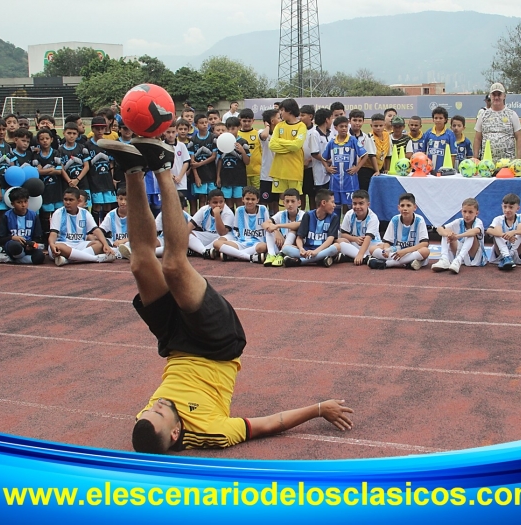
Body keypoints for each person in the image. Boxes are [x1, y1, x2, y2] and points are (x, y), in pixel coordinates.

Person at [95, 137, 352, 454]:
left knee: (139, 264)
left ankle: (133, 169)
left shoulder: (147, 426)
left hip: (173, 343)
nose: (156, 404)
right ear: (176, 433)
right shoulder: (213, 432)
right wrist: (318, 409)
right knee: (174, 266)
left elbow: (151, 423)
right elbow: (271, 423)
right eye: (160, 411)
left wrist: (152, 415)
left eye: (149, 409)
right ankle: (163, 165)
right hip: (217, 343)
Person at [48, 187, 115, 266]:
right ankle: (96, 259)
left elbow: (96, 230)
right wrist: (52, 244)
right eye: (65, 199)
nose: (67, 202)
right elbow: (53, 234)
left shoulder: (85, 213)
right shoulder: (58, 213)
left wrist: (106, 245)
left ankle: (69, 260)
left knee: (100, 244)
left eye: (71, 200)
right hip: (63, 244)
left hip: (80, 244)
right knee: (59, 247)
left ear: (78, 201)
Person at [368, 192, 430, 270]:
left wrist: (405, 251)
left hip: (411, 252)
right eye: (402, 206)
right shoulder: (395, 220)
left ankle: (388, 264)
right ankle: (406, 263)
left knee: (425, 251)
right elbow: (387, 242)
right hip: (395, 252)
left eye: (408, 205)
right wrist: (386, 250)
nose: (405, 208)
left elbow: (424, 243)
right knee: (372, 249)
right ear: (398, 207)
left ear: (415, 207)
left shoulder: (419, 220)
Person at [322, 116, 368, 216]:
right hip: (335, 182)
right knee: (335, 207)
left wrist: (357, 167)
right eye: (341, 126)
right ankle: (336, 229)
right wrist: (327, 167)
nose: (344, 128)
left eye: (346, 126)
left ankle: (349, 227)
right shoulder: (332, 143)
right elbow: (324, 158)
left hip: (350, 181)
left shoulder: (352, 141)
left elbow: (365, 155)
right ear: (335, 128)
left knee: (351, 207)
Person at [282, 188, 339, 267]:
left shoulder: (334, 217)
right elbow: (299, 237)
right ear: (323, 203)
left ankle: (300, 261)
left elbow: (330, 239)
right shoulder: (308, 215)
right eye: (332, 202)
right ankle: (319, 259)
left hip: (322, 249)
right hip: (307, 250)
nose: (334, 205)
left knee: (336, 247)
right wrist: (301, 249)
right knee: (285, 248)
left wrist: (316, 251)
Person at [212, 186, 270, 263]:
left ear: (257, 200)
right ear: (243, 199)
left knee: (263, 247)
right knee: (216, 243)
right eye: (247, 199)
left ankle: (233, 255)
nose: (250, 202)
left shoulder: (263, 209)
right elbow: (236, 231)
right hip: (241, 243)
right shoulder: (239, 210)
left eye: (253, 199)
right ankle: (249, 257)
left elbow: (268, 227)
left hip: (257, 243)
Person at [432, 197, 487, 274]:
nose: (467, 215)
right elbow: (439, 229)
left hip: (475, 257)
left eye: (470, 212)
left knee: (470, 233)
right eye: (464, 211)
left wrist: (457, 236)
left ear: (476, 213)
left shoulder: (478, 222)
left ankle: (458, 260)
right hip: (461, 253)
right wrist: (448, 234)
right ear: (461, 211)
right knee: (447, 231)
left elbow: (475, 231)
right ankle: (444, 259)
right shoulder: (458, 221)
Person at [0, 187, 45, 265]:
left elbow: (37, 236)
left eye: (25, 201)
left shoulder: (34, 215)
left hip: (27, 245)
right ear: (12, 204)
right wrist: (13, 238)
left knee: (40, 256)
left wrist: (32, 244)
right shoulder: (6, 216)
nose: (23, 205)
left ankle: (12, 259)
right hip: (12, 244)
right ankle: (19, 256)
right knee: (15, 246)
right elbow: (1, 239)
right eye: (19, 202)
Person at [269, 99, 307, 202]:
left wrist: (280, 140)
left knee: (294, 198)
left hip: (294, 170)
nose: (280, 113)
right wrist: (290, 147)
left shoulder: (301, 126)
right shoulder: (279, 125)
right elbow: (272, 145)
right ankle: (283, 218)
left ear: (289, 111)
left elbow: (296, 146)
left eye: (282, 110)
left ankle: (295, 218)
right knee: (282, 198)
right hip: (279, 170)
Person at [473, 83, 521, 162]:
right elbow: (477, 138)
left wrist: (519, 159)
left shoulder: (512, 114)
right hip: (487, 164)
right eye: (493, 95)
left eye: (499, 94)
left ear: (504, 96)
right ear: (490, 96)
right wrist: (475, 158)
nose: (496, 97)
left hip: (507, 162)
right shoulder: (483, 115)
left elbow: (519, 138)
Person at [485, 193, 521, 270]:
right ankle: (506, 256)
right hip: (500, 254)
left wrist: (514, 232)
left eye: (511, 207)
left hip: (516, 253)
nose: (507, 210)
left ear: (517, 208)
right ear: (501, 206)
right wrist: (504, 235)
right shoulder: (498, 219)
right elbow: (489, 230)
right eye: (505, 207)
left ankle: (509, 255)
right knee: (496, 229)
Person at [335, 189, 381, 265]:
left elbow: (367, 239)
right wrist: (354, 239)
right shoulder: (349, 214)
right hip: (355, 245)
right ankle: (366, 258)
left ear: (368, 204)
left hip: (370, 245)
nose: (357, 206)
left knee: (378, 249)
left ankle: (352, 257)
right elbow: (343, 234)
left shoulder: (373, 218)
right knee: (339, 241)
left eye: (361, 203)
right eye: (354, 203)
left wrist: (360, 254)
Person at [32, 127, 62, 239]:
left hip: (56, 188)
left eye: (47, 138)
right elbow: (37, 171)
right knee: (45, 213)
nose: (45, 141)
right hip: (44, 189)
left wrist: (43, 171)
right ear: (38, 141)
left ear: (51, 139)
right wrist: (51, 170)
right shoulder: (36, 155)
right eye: (42, 139)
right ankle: (46, 237)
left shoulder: (56, 152)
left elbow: (59, 171)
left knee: (57, 213)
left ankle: (58, 236)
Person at [187, 188, 235, 258]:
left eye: (221, 202)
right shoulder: (204, 209)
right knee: (187, 234)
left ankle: (197, 251)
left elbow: (222, 233)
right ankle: (204, 251)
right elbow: (189, 226)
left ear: (224, 201)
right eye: (215, 202)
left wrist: (217, 215)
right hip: (207, 235)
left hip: (222, 236)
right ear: (208, 203)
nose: (218, 205)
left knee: (221, 241)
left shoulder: (228, 213)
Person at [86, 116, 117, 225]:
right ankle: (96, 227)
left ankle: (106, 228)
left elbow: (111, 162)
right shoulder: (88, 145)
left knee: (108, 204)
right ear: (92, 129)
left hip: (107, 178)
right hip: (95, 178)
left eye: (102, 128)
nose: (100, 131)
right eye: (97, 128)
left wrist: (112, 178)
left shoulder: (107, 144)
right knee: (97, 204)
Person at [262, 187, 304, 267]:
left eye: (293, 201)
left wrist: (277, 226)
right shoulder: (281, 214)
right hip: (281, 243)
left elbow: (296, 225)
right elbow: (265, 224)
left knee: (293, 231)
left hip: (295, 247)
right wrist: (276, 231)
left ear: (299, 203)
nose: (290, 204)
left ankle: (281, 254)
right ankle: (271, 254)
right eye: (287, 201)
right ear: (283, 203)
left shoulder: (304, 215)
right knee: (269, 229)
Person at [216, 117, 250, 211]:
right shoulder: (222, 141)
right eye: (228, 128)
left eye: (233, 128)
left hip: (239, 177)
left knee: (239, 201)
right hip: (226, 177)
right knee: (228, 201)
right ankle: (230, 222)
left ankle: (239, 222)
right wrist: (218, 176)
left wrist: (243, 151)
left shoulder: (243, 142)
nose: (230, 131)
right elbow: (220, 160)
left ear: (239, 127)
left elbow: (247, 162)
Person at [188, 113, 217, 208]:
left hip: (211, 174)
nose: (205, 124)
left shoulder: (213, 137)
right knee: (202, 198)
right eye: (202, 123)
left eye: (206, 122)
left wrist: (199, 164)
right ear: (196, 125)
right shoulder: (193, 140)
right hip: (199, 175)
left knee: (212, 198)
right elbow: (192, 162)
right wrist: (196, 176)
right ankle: (201, 220)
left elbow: (213, 156)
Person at [58, 122, 91, 202]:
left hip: (82, 182)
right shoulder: (59, 151)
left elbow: (86, 166)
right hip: (67, 183)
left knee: (83, 205)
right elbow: (61, 168)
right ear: (64, 133)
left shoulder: (82, 148)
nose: (71, 136)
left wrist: (77, 180)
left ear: (77, 134)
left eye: (74, 133)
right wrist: (70, 181)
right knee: (70, 206)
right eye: (69, 133)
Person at [163, 120, 190, 209]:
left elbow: (186, 162)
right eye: (168, 132)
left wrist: (179, 177)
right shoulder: (161, 145)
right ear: (164, 132)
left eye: (173, 132)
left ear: (176, 132)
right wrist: (170, 175)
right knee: (169, 205)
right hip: (167, 181)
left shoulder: (181, 145)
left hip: (181, 182)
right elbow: (160, 164)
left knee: (182, 206)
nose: (171, 135)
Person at [310, 108, 333, 210]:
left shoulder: (331, 133)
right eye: (331, 118)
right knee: (321, 198)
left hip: (330, 171)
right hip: (319, 172)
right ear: (327, 119)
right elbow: (315, 153)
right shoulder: (314, 134)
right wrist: (326, 162)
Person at [348, 109, 377, 192]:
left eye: (360, 121)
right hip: (347, 170)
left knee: (360, 193)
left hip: (360, 170)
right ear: (349, 121)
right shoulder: (345, 136)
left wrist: (377, 170)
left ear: (363, 122)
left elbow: (370, 154)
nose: (357, 123)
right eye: (354, 120)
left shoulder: (366, 137)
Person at [420, 107, 457, 171]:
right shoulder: (428, 133)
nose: (438, 120)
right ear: (433, 119)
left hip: (443, 170)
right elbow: (423, 152)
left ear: (445, 120)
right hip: (429, 170)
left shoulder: (450, 134)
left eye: (440, 118)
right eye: (436, 118)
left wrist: (450, 169)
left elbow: (453, 155)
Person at [259, 109, 281, 215]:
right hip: (266, 174)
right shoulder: (263, 133)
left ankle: (275, 221)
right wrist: (267, 126)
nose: (281, 119)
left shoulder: (281, 133)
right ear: (272, 121)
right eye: (278, 118)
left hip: (278, 173)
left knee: (275, 201)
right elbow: (263, 136)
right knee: (264, 201)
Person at [100, 186, 130, 259]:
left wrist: (123, 240)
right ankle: (121, 253)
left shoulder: (135, 214)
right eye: (121, 199)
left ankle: (115, 254)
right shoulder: (111, 214)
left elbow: (138, 236)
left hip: (130, 242)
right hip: (114, 244)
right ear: (117, 199)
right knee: (99, 243)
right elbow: (101, 231)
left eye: (126, 199)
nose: (123, 202)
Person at [0, 117, 13, 228]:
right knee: (0, 213)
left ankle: (3, 239)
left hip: (6, 185)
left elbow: (13, 166)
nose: (1, 132)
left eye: (3, 129)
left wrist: (11, 184)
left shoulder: (8, 147)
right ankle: (0, 240)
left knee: (6, 212)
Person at [237, 109, 262, 190]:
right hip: (242, 173)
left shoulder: (258, 134)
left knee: (258, 195)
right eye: (244, 121)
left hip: (257, 172)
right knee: (244, 196)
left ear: (253, 120)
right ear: (240, 120)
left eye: (249, 121)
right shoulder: (237, 134)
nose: (247, 123)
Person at [368, 113, 390, 181]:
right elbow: (372, 155)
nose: (378, 128)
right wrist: (377, 171)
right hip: (368, 168)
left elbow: (388, 155)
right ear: (371, 126)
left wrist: (386, 169)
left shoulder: (387, 135)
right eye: (376, 126)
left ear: (385, 125)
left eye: (381, 125)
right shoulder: (370, 136)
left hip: (380, 168)